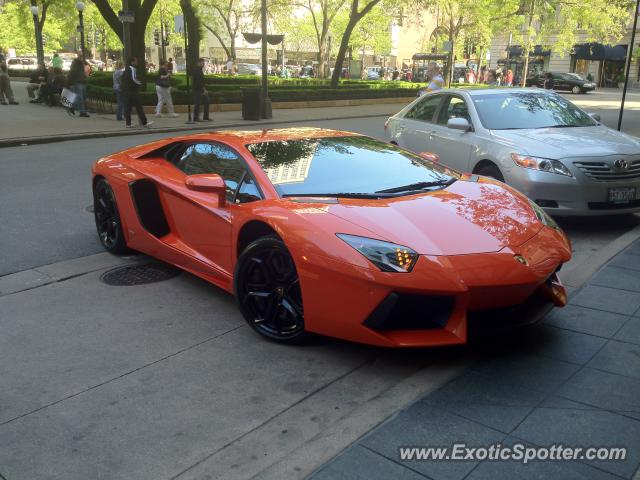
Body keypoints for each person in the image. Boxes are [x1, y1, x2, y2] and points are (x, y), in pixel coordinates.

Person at [121, 57, 152, 128]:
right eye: (136, 61)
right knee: (139, 107)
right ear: (132, 62)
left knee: (128, 108)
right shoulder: (132, 69)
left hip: (126, 91)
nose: (137, 62)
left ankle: (128, 124)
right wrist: (140, 83)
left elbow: (123, 79)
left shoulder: (126, 69)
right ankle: (144, 122)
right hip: (133, 92)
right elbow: (134, 79)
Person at [192, 58, 211, 122]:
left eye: (204, 63)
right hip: (198, 90)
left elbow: (201, 81)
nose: (203, 64)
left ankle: (206, 117)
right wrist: (204, 89)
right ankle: (196, 118)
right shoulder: (197, 70)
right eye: (202, 63)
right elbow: (198, 82)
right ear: (199, 63)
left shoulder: (200, 70)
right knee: (198, 104)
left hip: (200, 89)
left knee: (207, 101)